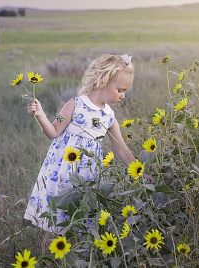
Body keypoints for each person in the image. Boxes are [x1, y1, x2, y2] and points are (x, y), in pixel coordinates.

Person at [24, 53, 147, 235]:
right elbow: (53, 132)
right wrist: (41, 115)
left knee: (83, 221)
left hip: (88, 178)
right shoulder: (75, 104)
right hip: (62, 172)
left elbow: (121, 149)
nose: (123, 96)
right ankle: (50, 261)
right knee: (55, 221)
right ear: (103, 81)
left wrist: (140, 172)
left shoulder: (109, 117)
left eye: (125, 92)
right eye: (120, 90)